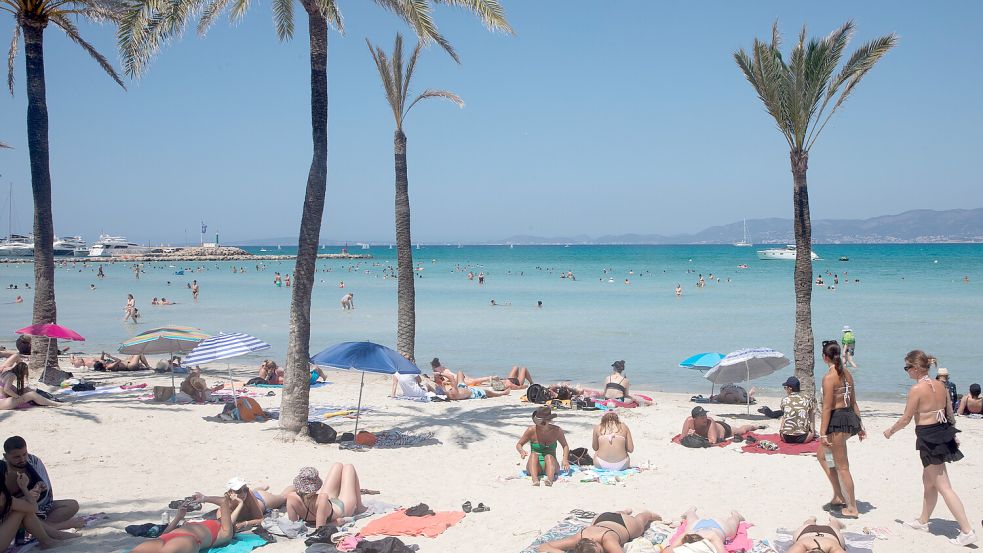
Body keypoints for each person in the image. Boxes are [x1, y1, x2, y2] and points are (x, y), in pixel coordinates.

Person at [883, 350, 976, 546]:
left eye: (907, 368)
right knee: (928, 481)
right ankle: (923, 521)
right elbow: (949, 412)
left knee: (944, 487)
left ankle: (967, 530)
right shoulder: (941, 385)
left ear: (916, 368)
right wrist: (953, 434)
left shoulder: (917, 389)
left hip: (929, 438)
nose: (906, 371)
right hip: (942, 432)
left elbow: (906, 418)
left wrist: (890, 431)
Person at [816, 340, 864, 519]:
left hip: (836, 421)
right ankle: (838, 495)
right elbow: (853, 402)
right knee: (823, 455)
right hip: (849, 418)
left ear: (824, 357)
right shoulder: (847, 374)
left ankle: (852, 507)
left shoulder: (829, 377)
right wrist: (860, 425)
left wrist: (822, 433)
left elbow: (827, 407)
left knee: (843, 466)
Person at [3, 436, 81, 531]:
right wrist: (27, 496)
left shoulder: (34, 461)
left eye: (24, 454)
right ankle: (54, 527)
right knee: (23, 515)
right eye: (17, 457)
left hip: (41, 507)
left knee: (72, 505)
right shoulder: (3, 470)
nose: (22, 459)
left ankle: (43, 527)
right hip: (20, 511)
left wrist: (39, 487)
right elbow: (6, 503)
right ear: (6, 456)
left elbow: (46, 490)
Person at [0, 462, 79, 549]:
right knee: (22, 511)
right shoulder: (2, 497)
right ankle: (49, 540)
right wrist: (24, 488)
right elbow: (33, 508)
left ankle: (53, 536)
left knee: (20, 510)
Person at [131, 493, 237, 553]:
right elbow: (164, 534)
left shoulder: (226, 533)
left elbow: (223, 501)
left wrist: (204, 498)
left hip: (188, 539)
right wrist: (179, 516)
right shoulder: (206, 524)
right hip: (165, 537)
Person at [537, 509, 662, 553]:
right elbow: (543, 547)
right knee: (618, 514)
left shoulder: (607, 541)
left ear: (595, 544)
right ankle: (623, 511)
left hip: (623, 524)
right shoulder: (578, 539)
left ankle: (649, 514)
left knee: (640, 522)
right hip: (601, 518)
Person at [285, 464, 366, 528]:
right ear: (315, 487)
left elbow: (294, 526)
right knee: (349, 467)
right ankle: (360, 507)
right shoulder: (322, 498)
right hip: (340, 509)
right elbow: (320, 529)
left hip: (328, 506)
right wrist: (336, 523)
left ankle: (360, 506)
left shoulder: (291, 497)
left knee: (337, 465)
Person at [516, 407, 569, 486]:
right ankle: (535, 480)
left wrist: (565, 460)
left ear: (549, 420)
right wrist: (521, 451)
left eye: (544, 422)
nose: (541, 424)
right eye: (539, 422)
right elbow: (519, 444)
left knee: (548, 456)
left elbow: (565, 446)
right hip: (534, 465)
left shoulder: (557, 431)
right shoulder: (531, 430)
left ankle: (549, 480)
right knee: (534, 454)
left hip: (551, 465)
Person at [664, 507, 746, 553]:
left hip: (715, 528)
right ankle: (735, 515)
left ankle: (736, 515)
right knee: (732, 526)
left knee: (732, 527)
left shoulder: (709, 539)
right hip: (705, 528)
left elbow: (668, 550)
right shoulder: (688, 537)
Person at [682, 407, 762, 445]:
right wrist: (689, 435)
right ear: (695, 419)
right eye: (702, 417)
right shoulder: (689, 421)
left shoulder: (709, 421)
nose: (705, 419)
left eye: (705, 416)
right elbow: (682, 437)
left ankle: (756, 426)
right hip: (714, 427)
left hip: (723, 429)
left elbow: (713, 441)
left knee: (742, 430)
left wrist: (695, 435)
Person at [778, 376, 816, 443]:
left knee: (786, 414)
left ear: (790, 388)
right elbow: (811, 416)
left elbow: (785, 416)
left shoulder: (785, 400)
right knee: (811, 413)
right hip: (803, 438)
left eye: (785, 388)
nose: (785, 389)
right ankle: (811, 431)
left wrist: (781, 430)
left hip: (786, 438)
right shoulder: (807, 399)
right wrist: (812, 432)